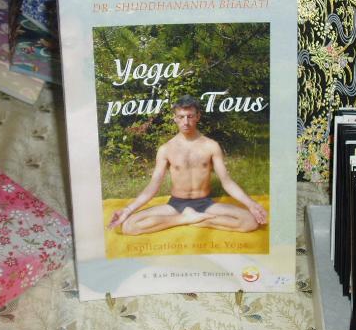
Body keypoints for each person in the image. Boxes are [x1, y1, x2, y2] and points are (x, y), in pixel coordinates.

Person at [108, 95, 267, 236]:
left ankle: (197, 219)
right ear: (175, 118)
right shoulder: (166, 149)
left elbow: (227, 181)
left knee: (250, 221)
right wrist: (128, 210)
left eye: (190, 116)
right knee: (128, 226)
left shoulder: (211, 146)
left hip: (205, 204)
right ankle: (184, 219)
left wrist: (251, 204)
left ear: (197, 116)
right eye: (181, 117)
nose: (186, 122)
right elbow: (153, 185)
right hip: (176, 204)